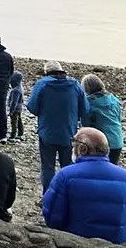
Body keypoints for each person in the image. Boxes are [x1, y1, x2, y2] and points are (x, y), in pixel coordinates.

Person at [42, 127, 126, 244]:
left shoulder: (65, 176)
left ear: (83, 149)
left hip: (74, 246)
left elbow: (52, 217)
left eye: (74, 143)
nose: (72, 147)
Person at [26, 60, 90, 194]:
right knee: (67, 166)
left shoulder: (42, 84)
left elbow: (32, 107)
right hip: (69, 131)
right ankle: (67, 194)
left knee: (48, 167)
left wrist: (43, 111)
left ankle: (48, 195)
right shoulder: (75, 85)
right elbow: (85, 109)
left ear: (46, 72)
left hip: (47, 132)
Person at [81, 74, 124, 165]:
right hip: (117, 140)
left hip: (100, 141)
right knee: (112, 167)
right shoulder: (114, 100)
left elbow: (86, 124)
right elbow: (119, 118)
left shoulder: (89, 103)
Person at [7, 71, 25, 142]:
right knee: (19, 120)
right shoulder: (20, 87)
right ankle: (20, 133)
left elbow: (14, 102)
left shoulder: (15, 90)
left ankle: (13, 135)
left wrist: (11, 111)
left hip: (15, 109)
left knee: (14, 122)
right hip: (19, 108)